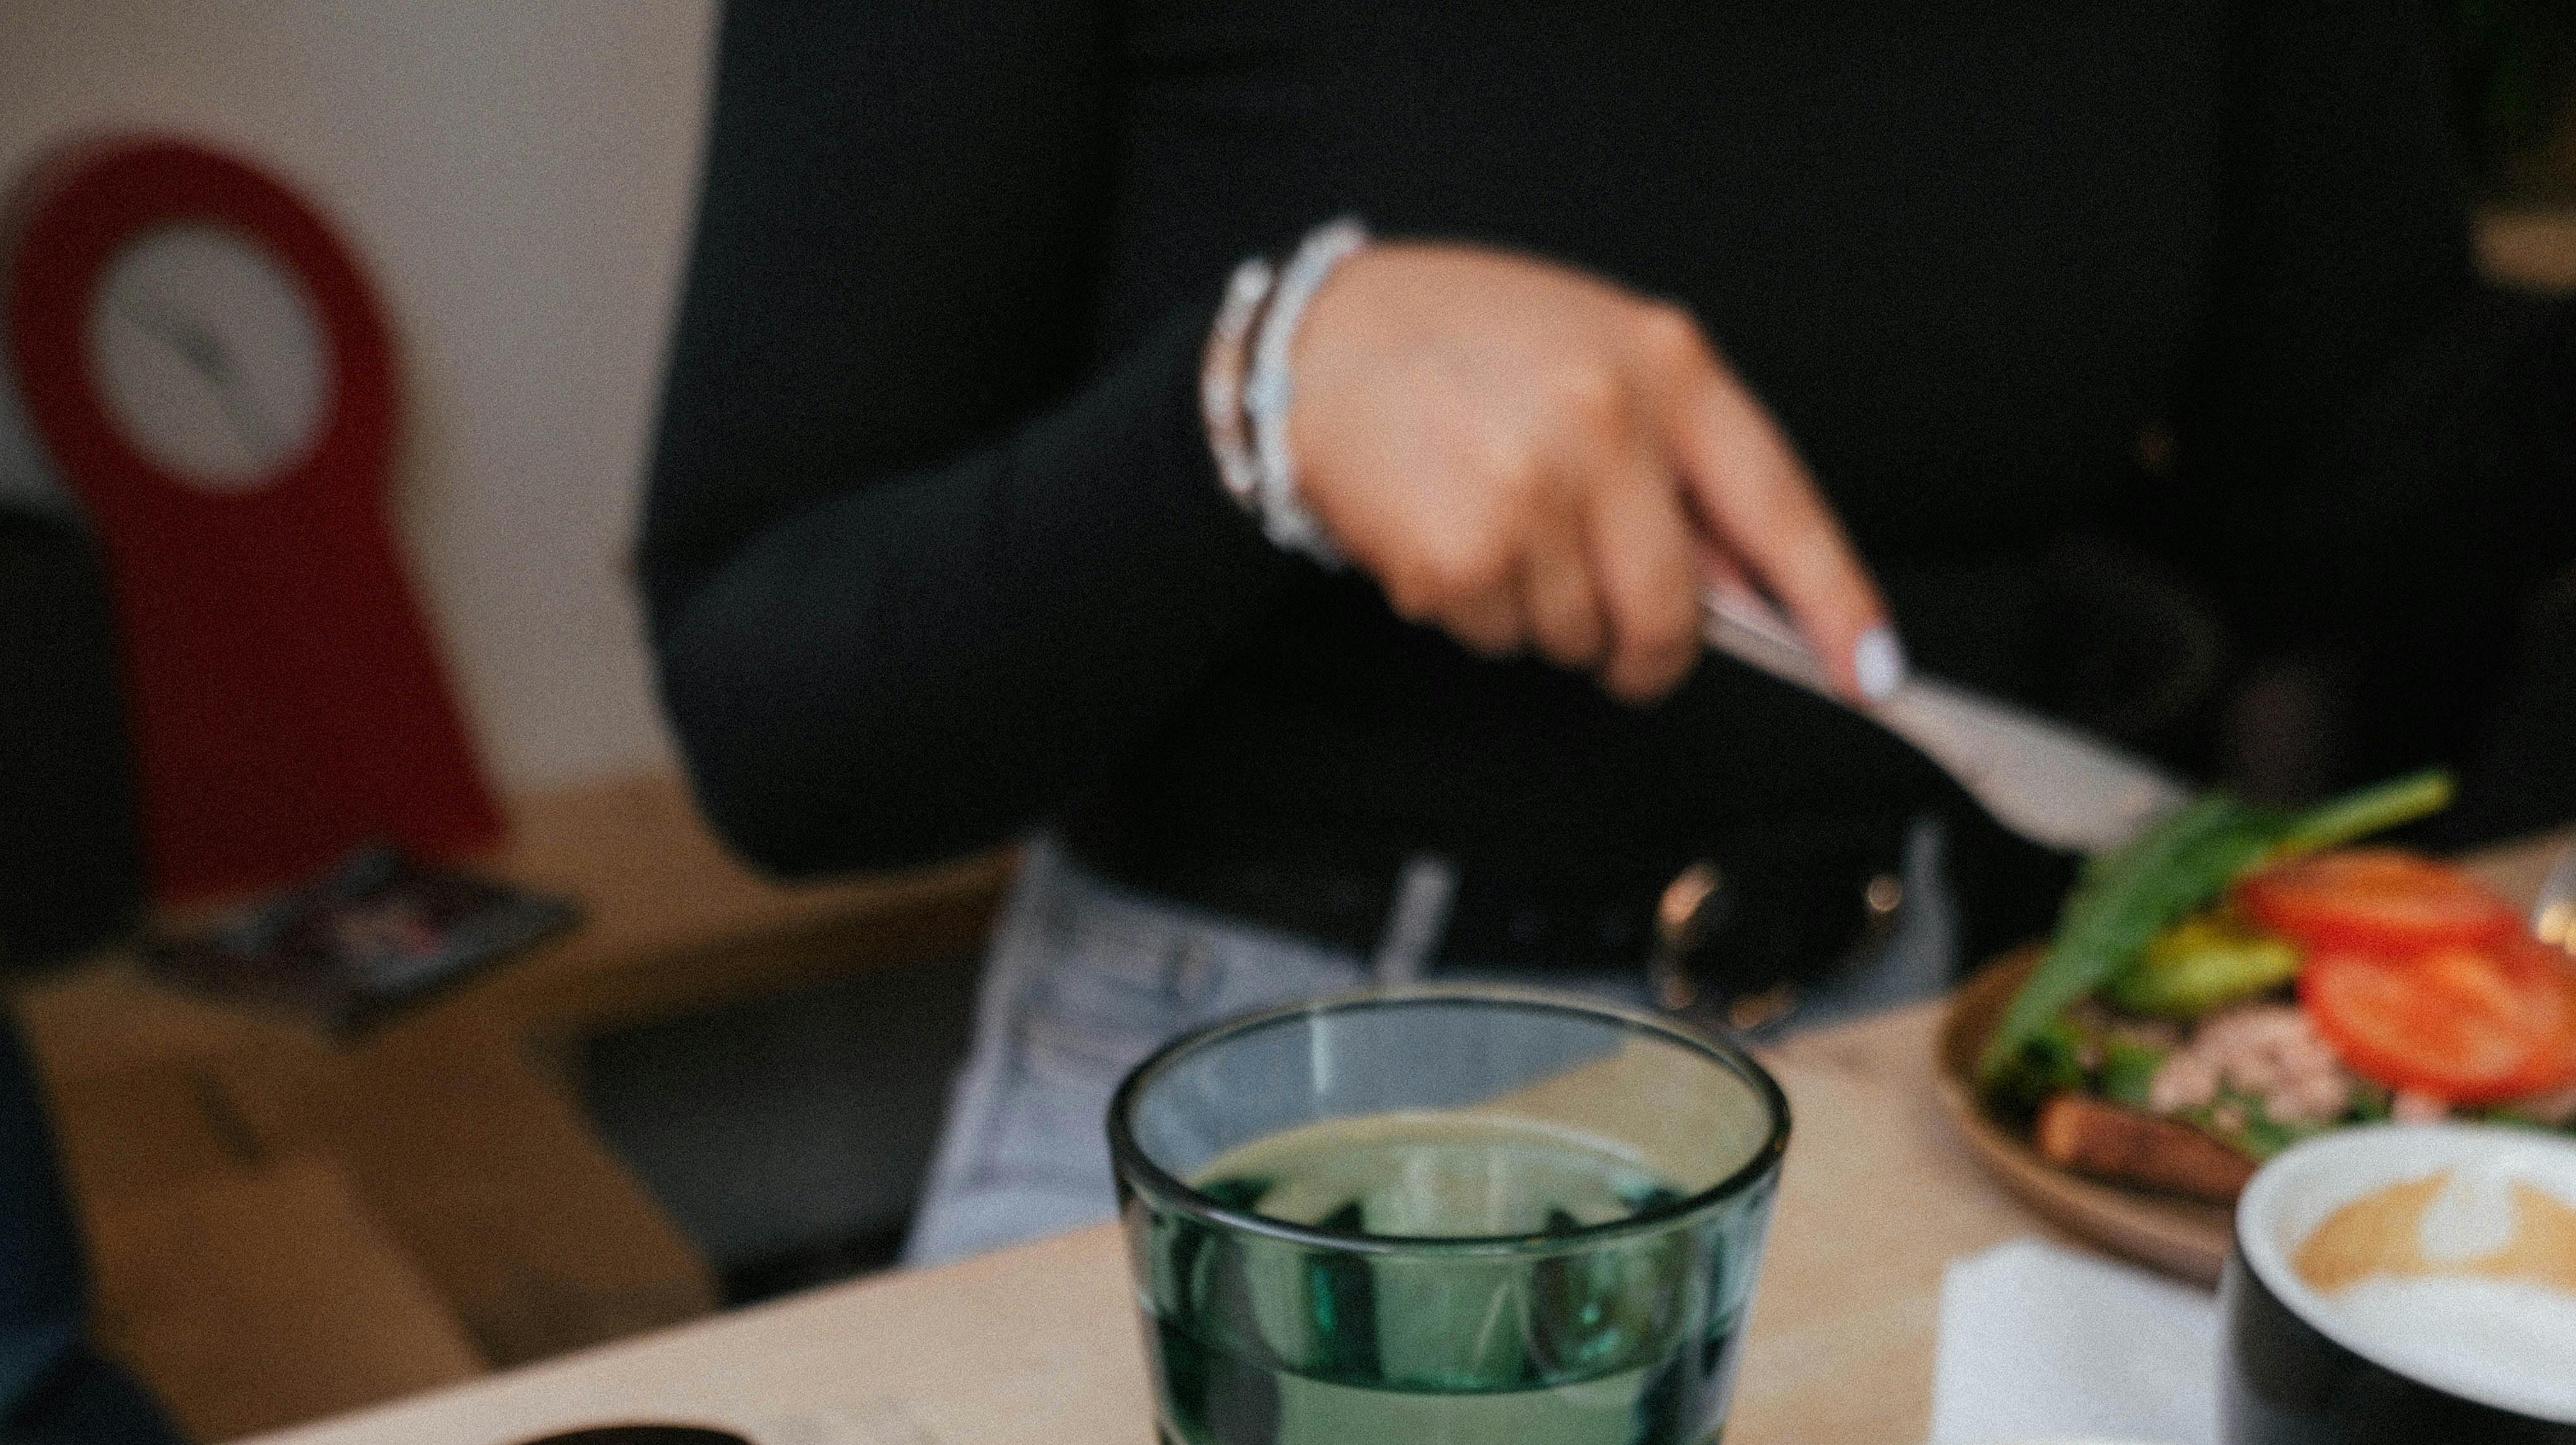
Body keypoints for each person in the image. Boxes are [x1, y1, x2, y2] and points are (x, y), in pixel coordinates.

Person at [638, 4, 2576, 1260]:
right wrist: (1252, 400)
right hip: (1262, 1110)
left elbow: (2356, 460)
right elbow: (775, 720)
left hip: (1959, 1071)